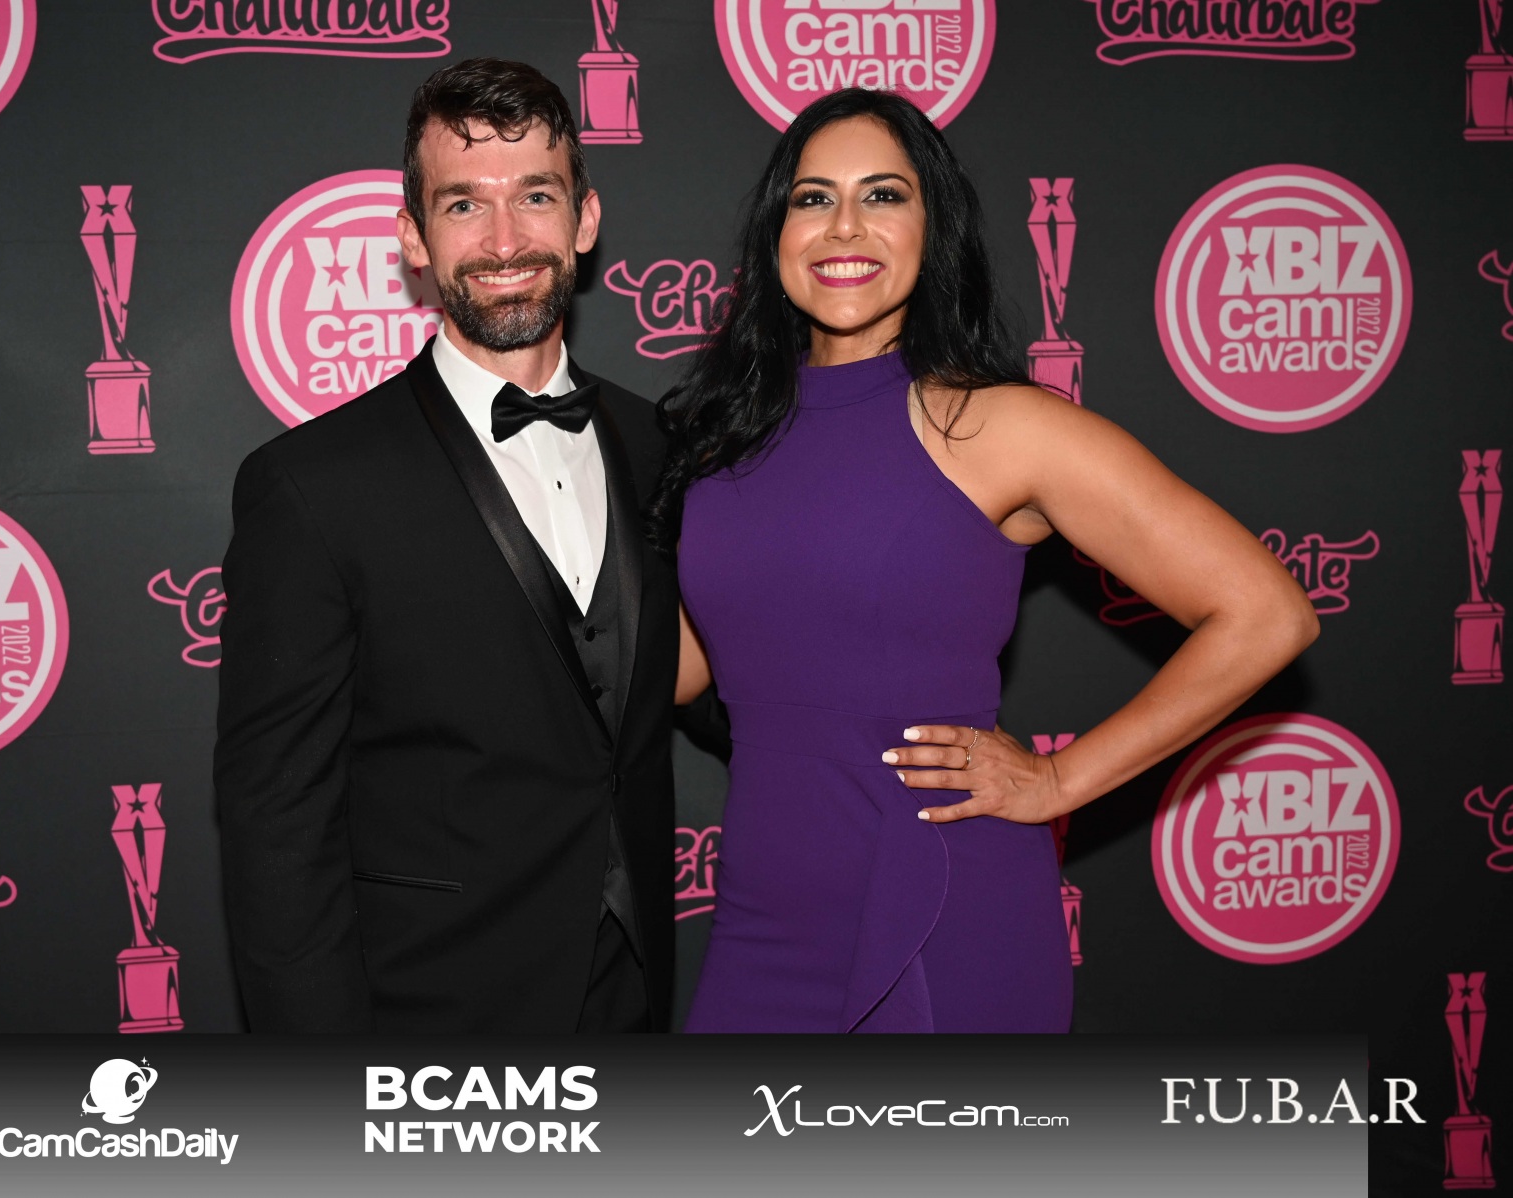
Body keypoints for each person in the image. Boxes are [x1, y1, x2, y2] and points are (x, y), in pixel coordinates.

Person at [657, 89, 1319, 1033]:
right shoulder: (724, 442)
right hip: (763, 917)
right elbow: (689, 668)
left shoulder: (1000, 426)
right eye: (813, 198)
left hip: (939, 906)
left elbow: (1266, 614)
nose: (844, 226)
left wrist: (1059, 781)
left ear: (935, 230)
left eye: (884, 195)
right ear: (776, 234)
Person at [214, 59, 678, 1033]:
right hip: (428, 1015)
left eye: (536, 196)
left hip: (632, 998)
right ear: (413, 238)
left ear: (586, 219)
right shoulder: (312, 485)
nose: (505, 240)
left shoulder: (660, 446)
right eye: (464, 204)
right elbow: (276, 824)